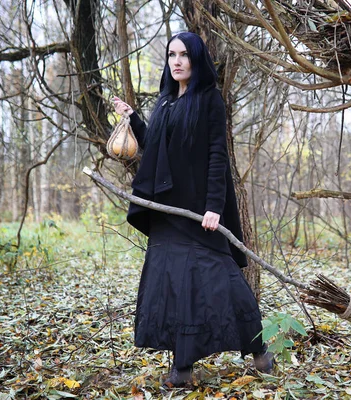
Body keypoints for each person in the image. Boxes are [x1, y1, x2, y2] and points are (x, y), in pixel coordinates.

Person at [112, 32, 273, 387]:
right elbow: (156, 143)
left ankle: (260, 350)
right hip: (167, 211)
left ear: (196, 60)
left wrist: (214, 206)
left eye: (184, 54)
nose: (177, 61)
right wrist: (133, 118)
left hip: (199, 211)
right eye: (172, 54)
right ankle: (181, 368)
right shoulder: (167, 101)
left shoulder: (209, 100)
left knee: (224, 280)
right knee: (171, 283)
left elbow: (218, 155)